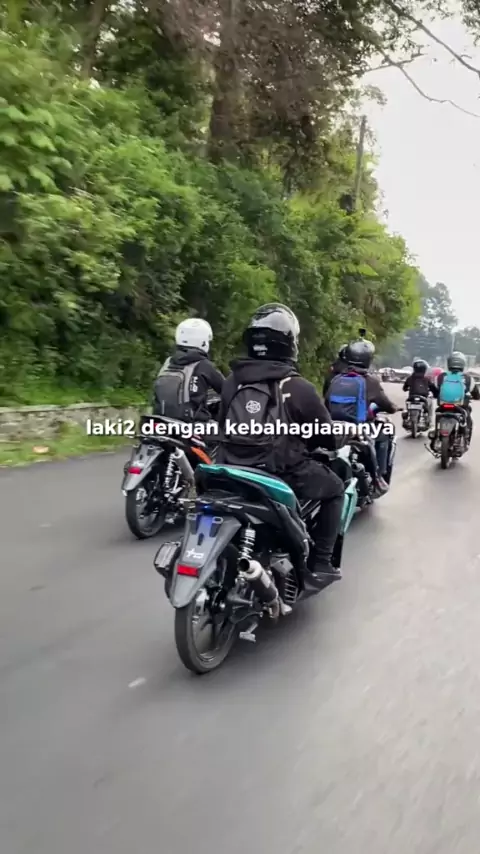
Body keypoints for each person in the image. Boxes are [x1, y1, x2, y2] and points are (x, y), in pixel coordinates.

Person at [216, 303, 345, 587]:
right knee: (336, 490)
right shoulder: (296, 386)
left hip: (230, 468)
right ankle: (321, 562)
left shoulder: (232, 381)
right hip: (280, 471)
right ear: (289, 343)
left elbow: (222, 422)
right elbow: (325, 436)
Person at [324, 339, 398, 495]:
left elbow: (326, 402)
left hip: (334, 427)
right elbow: (386, 404)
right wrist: (393, 408)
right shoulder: (371, 381)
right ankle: (377, 478)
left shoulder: (336, 378)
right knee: (383, 435)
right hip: (358, 428)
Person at [153, 318, 224, 423]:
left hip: (162, 420)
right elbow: (226, 389)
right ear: (203, 342)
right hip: (193, 423)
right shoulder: (204, 365)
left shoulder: (168, 362)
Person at [435, 351, 480, 442]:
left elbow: (436, 389)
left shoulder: (441, 376)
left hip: (443, 405)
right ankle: (466, 436)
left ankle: (436, 433)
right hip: (460, 406)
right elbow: (475, 393)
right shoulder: (468, 378)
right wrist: (476, 397)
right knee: (468, 417)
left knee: (438, 414)